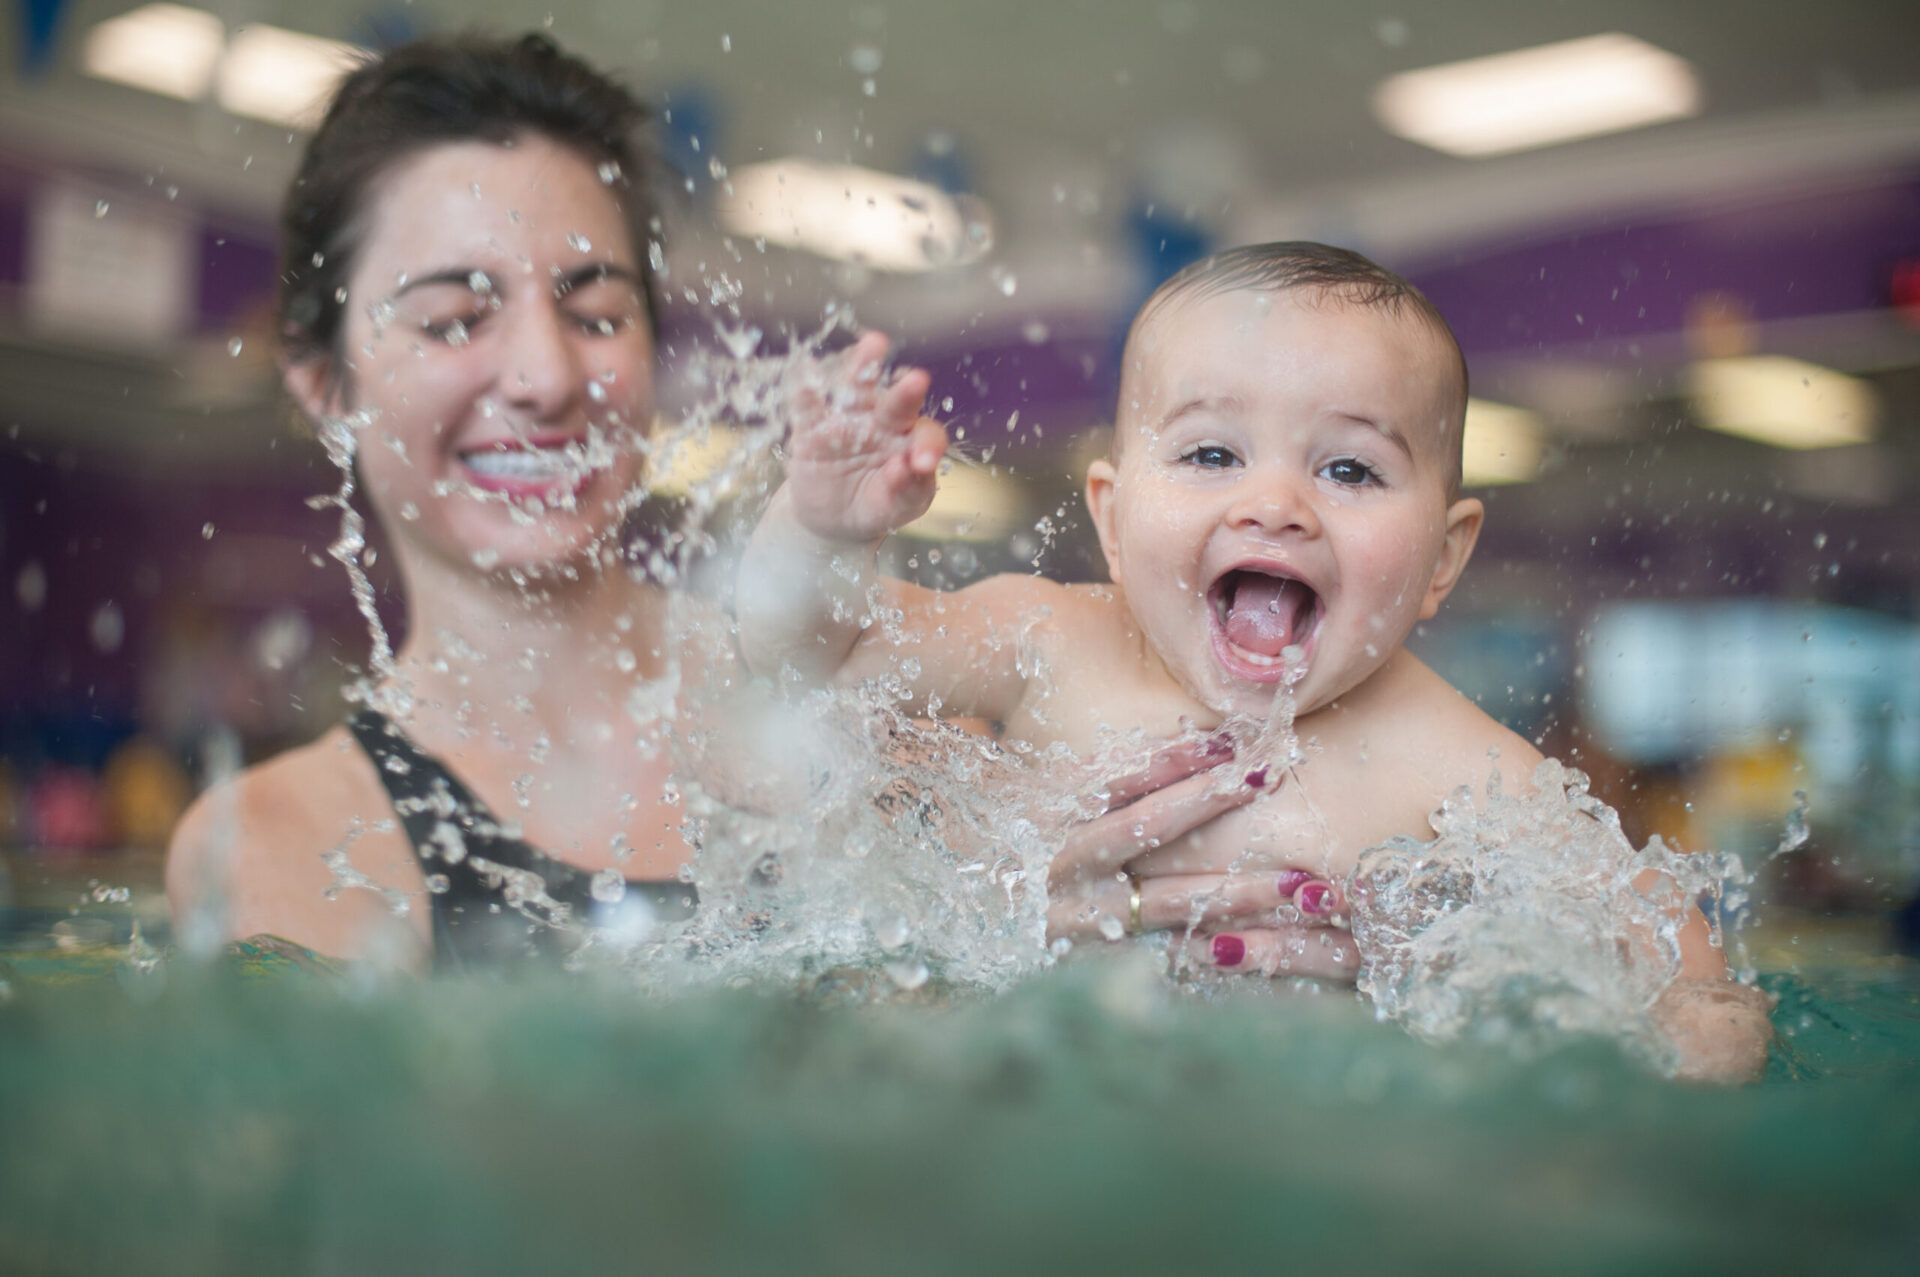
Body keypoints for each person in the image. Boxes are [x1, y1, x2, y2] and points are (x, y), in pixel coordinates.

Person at [737, 242, 1772, 1079]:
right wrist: (817, 530)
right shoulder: (1048, 637)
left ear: (1443, 557)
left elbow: (1687, 969)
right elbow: (809, 657)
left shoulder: (1450, 755)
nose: (1275, 502)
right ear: (1112, 512)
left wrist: (1688, 1051)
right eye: (1212, 453)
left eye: (1349, 467)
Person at [167, 35, 705, 972]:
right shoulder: (285, 842)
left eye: (597, 314)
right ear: (321, 378)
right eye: (455, 319)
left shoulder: (843, 701)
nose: (546, 375)